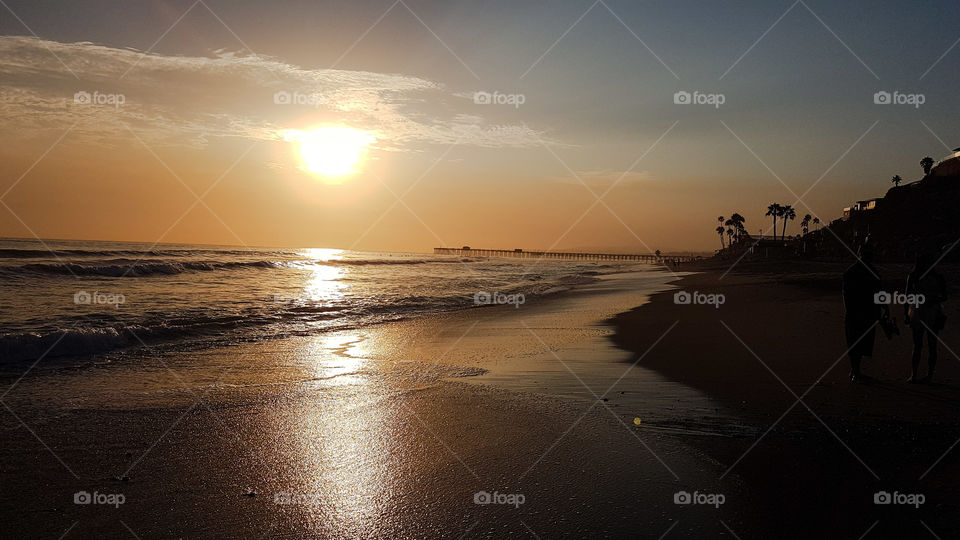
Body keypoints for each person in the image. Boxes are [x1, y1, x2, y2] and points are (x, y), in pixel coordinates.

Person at [842, 243, 887, 382]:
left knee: (859, 343)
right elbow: (847, 295)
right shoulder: (854, 272)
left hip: (864, 312)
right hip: (860, 312)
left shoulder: (856, 271)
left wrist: (884, 306)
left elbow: (879, 292)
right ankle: (855, 372)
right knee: (857, 343)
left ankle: (855, 370)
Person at [904, 251, 948, 383]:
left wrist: (906, 313)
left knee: (923, 344)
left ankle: (918, 374)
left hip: (925, 311)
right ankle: (921, 375)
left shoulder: (915, 276)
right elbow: (907, 296)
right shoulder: (934, 277)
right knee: (924, 344)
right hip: (924, 311)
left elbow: (907, 296)